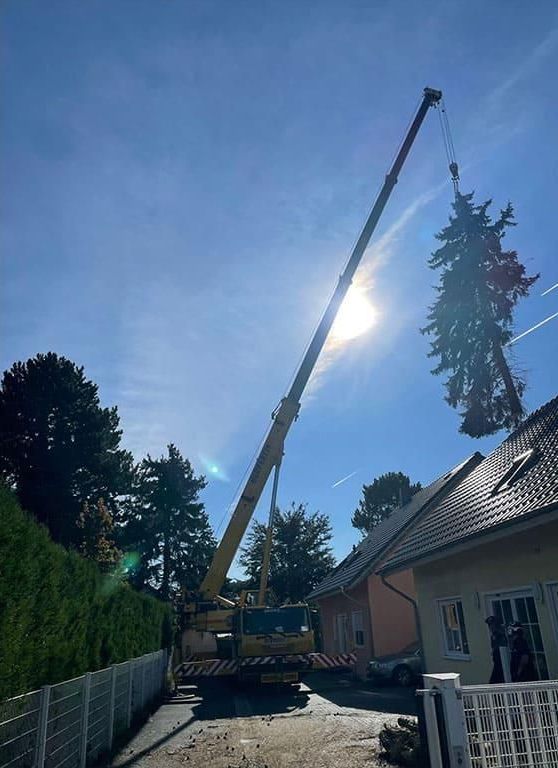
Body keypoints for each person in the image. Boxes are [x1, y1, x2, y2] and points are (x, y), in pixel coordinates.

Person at [485, 616, 505, 684]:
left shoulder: (500, 634)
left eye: (492, 625)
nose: (491, 627)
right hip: (496, 661)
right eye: (489, 625)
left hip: (502, 661)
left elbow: (502, 648)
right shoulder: (493, 636)